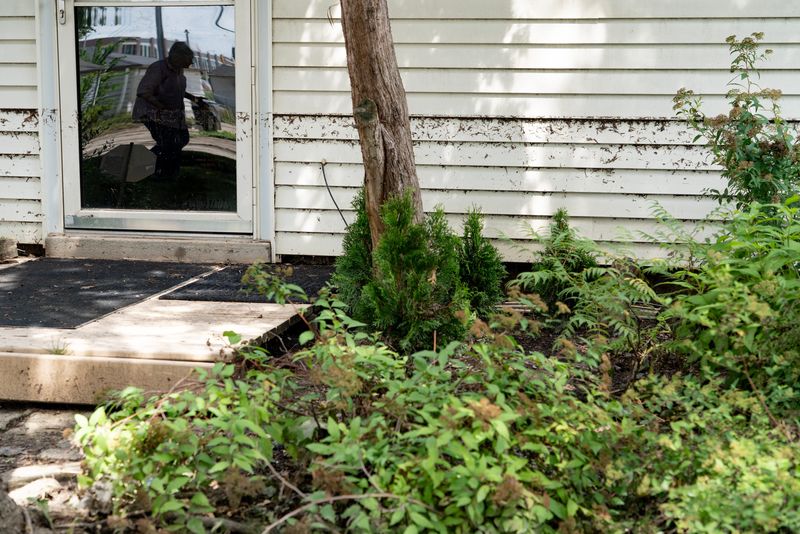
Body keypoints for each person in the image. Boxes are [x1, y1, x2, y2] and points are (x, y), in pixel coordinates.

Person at [132, 41, 196, 179]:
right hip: (151, 113)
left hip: (170, 115)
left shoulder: (179, 69)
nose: (191, 63)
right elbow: (143, 91)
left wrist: (194, 98)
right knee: (168, 143)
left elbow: (177, 90)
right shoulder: (158, 68)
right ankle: (156, 171)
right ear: (177, 56)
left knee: (182, 139)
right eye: (188, 59)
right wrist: (163, 107)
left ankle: (157, 167)